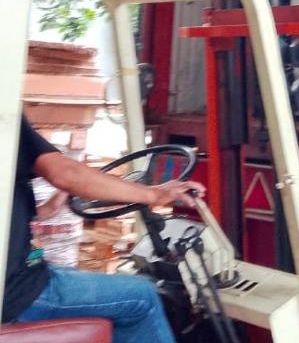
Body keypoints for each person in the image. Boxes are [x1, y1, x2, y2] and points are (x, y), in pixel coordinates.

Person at [2, 115, 205, 343]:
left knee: (84, 279)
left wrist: (44, 210)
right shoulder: (6, 113)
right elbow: (65, 174)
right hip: (17, 292)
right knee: (143, 296)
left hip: (22, 274)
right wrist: (153, 194)